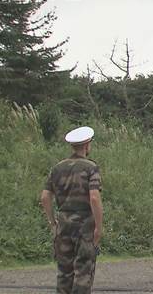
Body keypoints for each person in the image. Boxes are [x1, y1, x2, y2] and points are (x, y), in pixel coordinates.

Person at [40, 126, 103, 294]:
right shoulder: (91, 167)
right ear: (87, 144)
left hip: (63, 226)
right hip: (85, 227)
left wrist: (52, 222)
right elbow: (94, 197)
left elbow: (45, 197)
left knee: (64, 273)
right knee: (83, 271)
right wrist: (98, 226)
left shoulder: (57, 168)